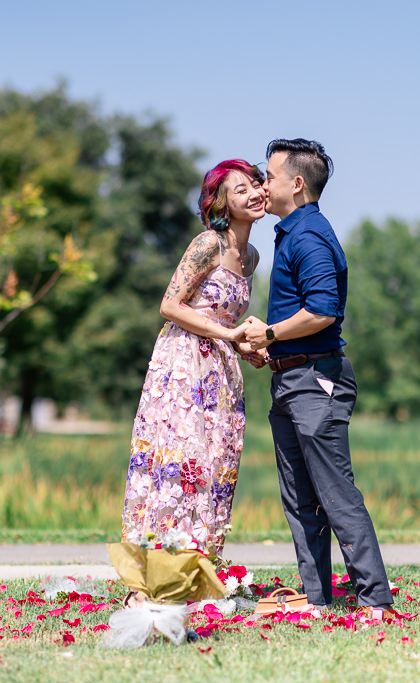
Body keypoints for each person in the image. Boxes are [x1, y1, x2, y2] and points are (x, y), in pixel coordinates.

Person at [240, 138, 393, 616]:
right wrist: (273, 347)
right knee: (300, 497)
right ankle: (317, 597)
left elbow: (323, 311)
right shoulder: (290, 232)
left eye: (269, 176)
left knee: (334, 493)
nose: (264, 185)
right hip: (289, 379)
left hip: (315, 382)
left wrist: (267, 333)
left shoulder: (308, 236)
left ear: (297, 183)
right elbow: (300, 318)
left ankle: (375, 600)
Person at [120, 159, 268, 561]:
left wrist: (244, 346)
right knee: (183, 461)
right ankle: (157, 570)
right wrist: (229, 335)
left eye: (256, 183)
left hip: (220, 370)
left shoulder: (251, 256)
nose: (254, 192)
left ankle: (199, 567)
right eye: (241, 189)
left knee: (217, 462)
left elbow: (220, 316)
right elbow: (170, 305)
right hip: (184, 363)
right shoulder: (208, 244)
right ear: (221, 204)